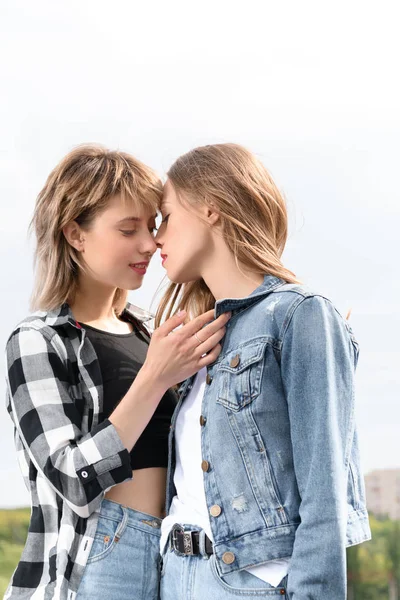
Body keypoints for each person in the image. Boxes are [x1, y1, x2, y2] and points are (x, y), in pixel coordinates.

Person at [4, 145, 229, 600]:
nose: (149, 244)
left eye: (153, 226)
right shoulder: (37, 341)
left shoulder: (154, 332)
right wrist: (155, 378)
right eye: (128, 229)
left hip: (181, 551)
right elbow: (71, 479)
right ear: (75, 234)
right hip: (99, 553)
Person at [155, 143, 371, 600]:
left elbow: (324, 490)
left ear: (210, 208)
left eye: (167, 216)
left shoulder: (300, 314)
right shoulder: (201, 339)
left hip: (250, 583)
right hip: (175, 578)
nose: (157, 237)